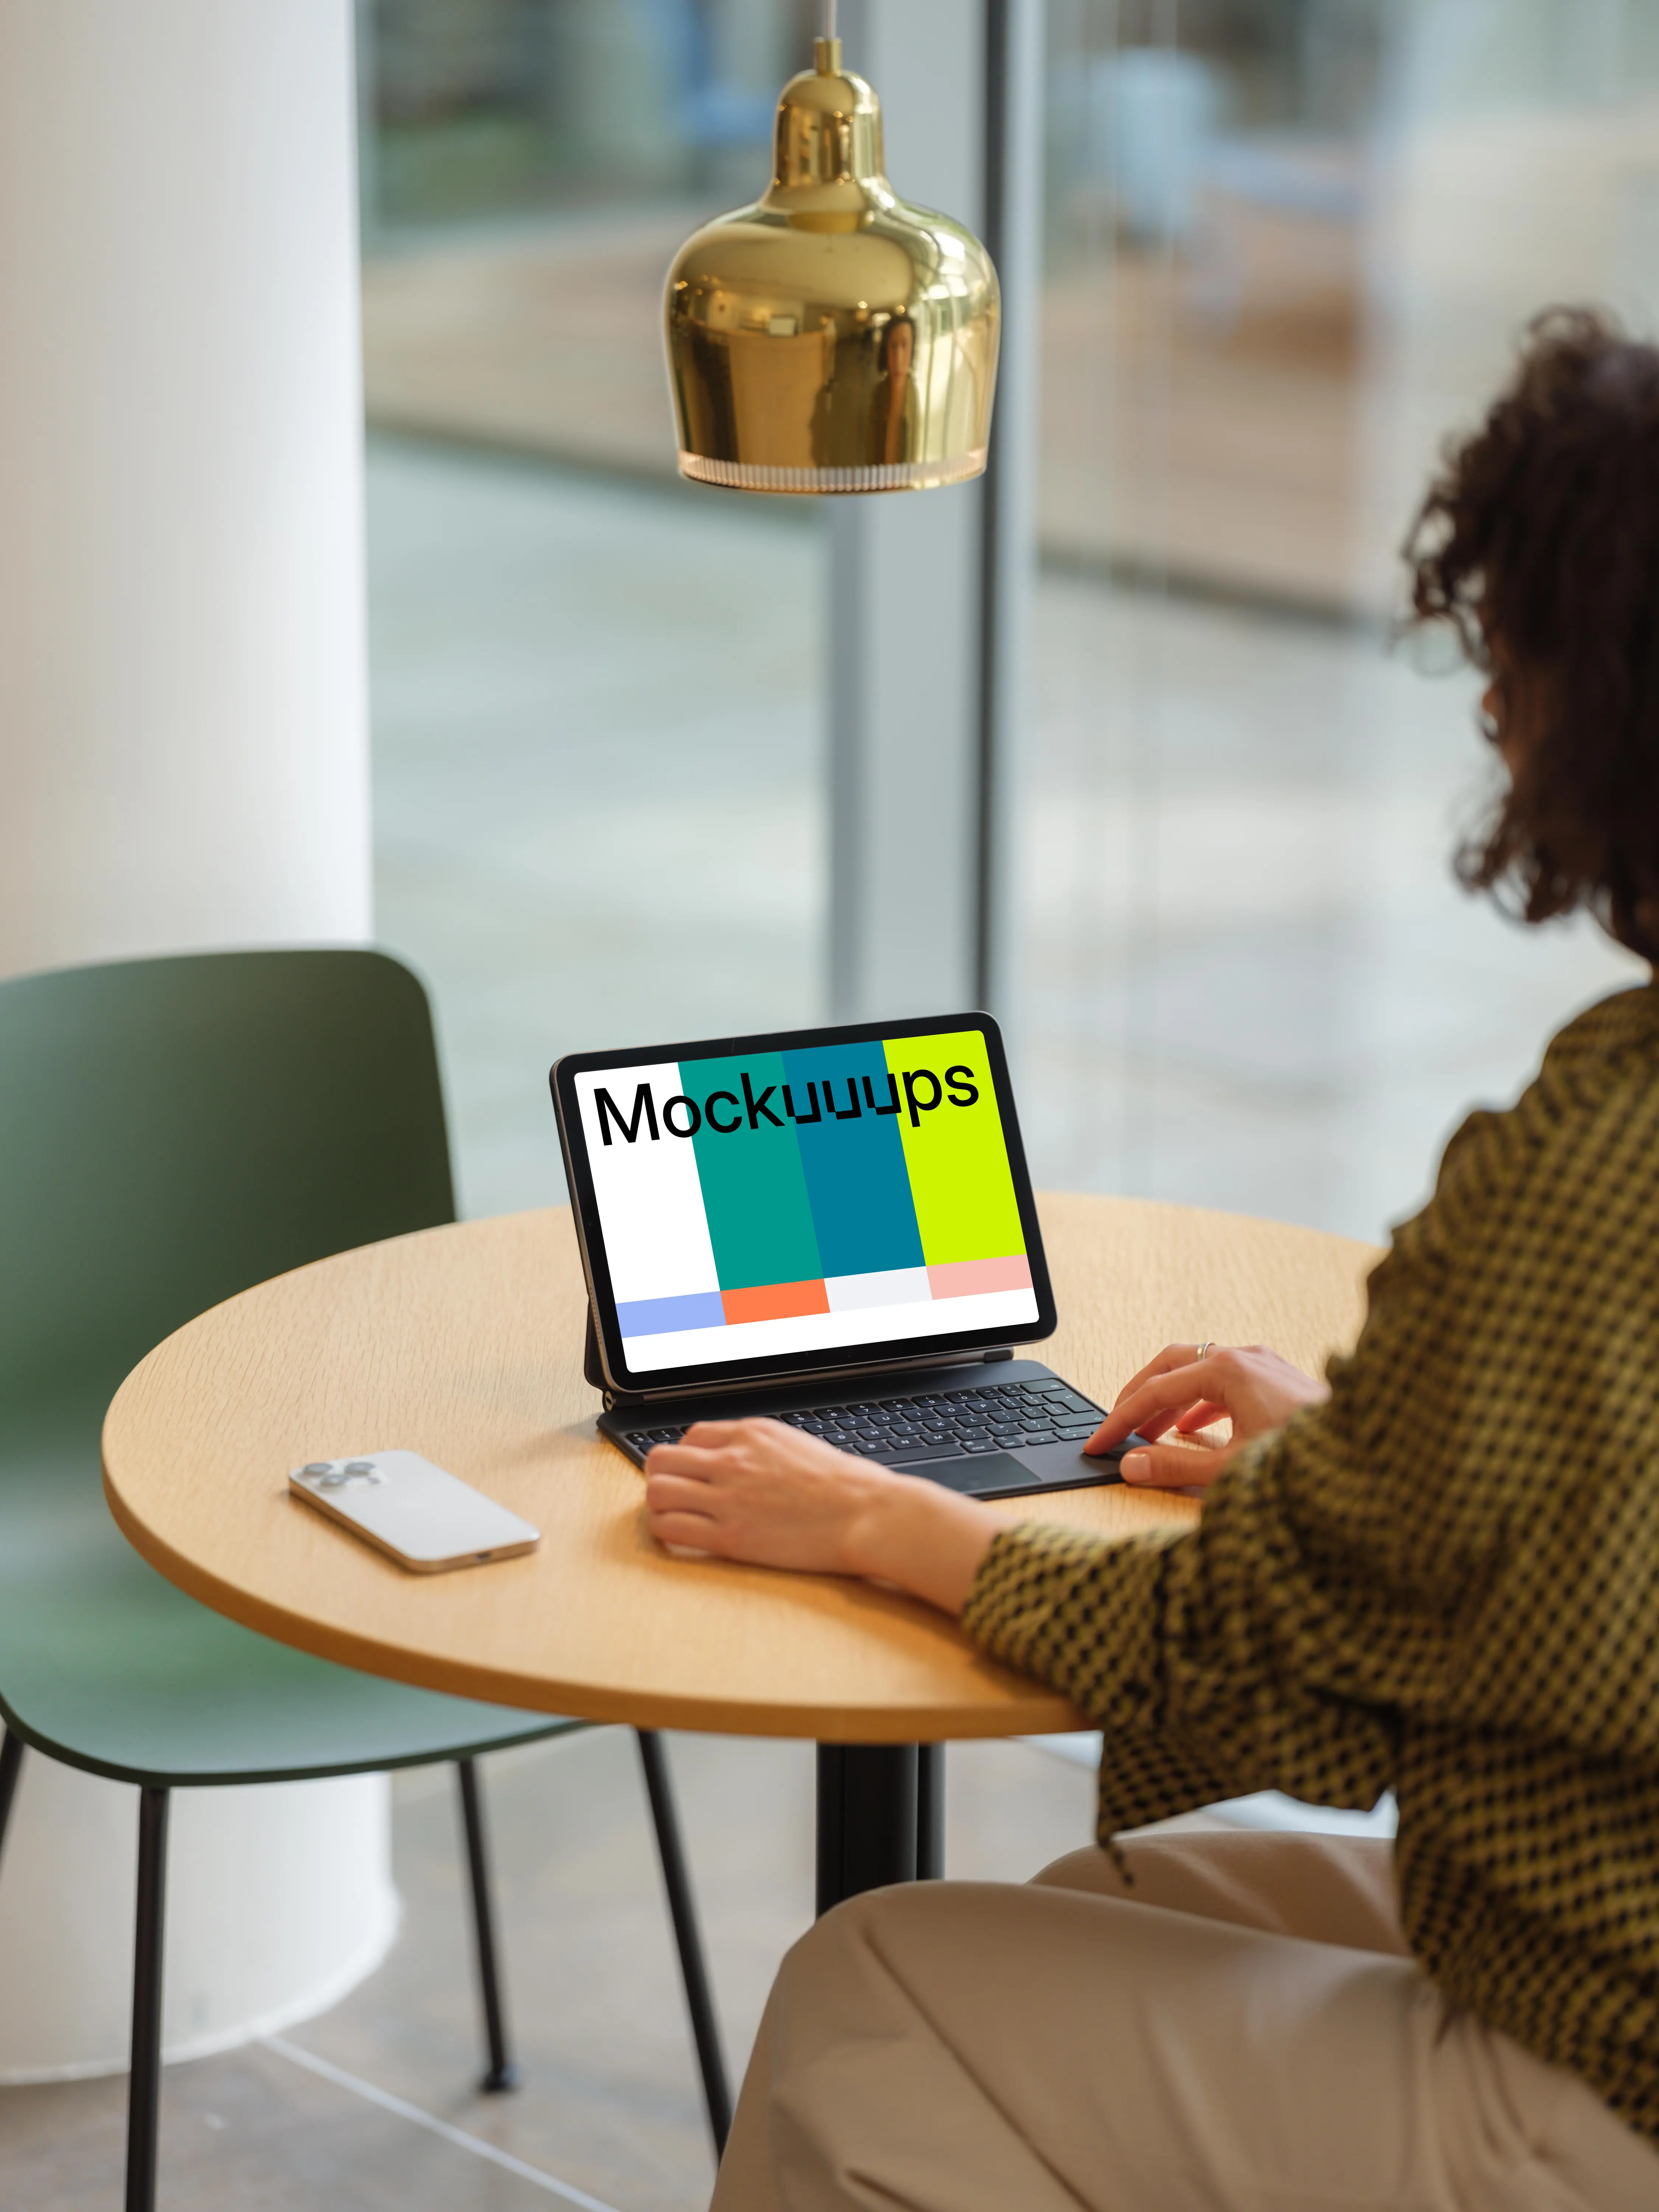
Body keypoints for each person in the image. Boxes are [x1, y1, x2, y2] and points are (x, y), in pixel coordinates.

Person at [645, 308, 1659, 2211]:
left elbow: (1262, 1674)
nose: (1492, 713)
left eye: (1502, 660)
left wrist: (881, 1517)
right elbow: (1588, 1551)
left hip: (1601, 2076)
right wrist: (1352, 1459)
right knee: (1101, 1902)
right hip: (1596, 1936)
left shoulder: (1604, 1155)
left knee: (871, 1987)